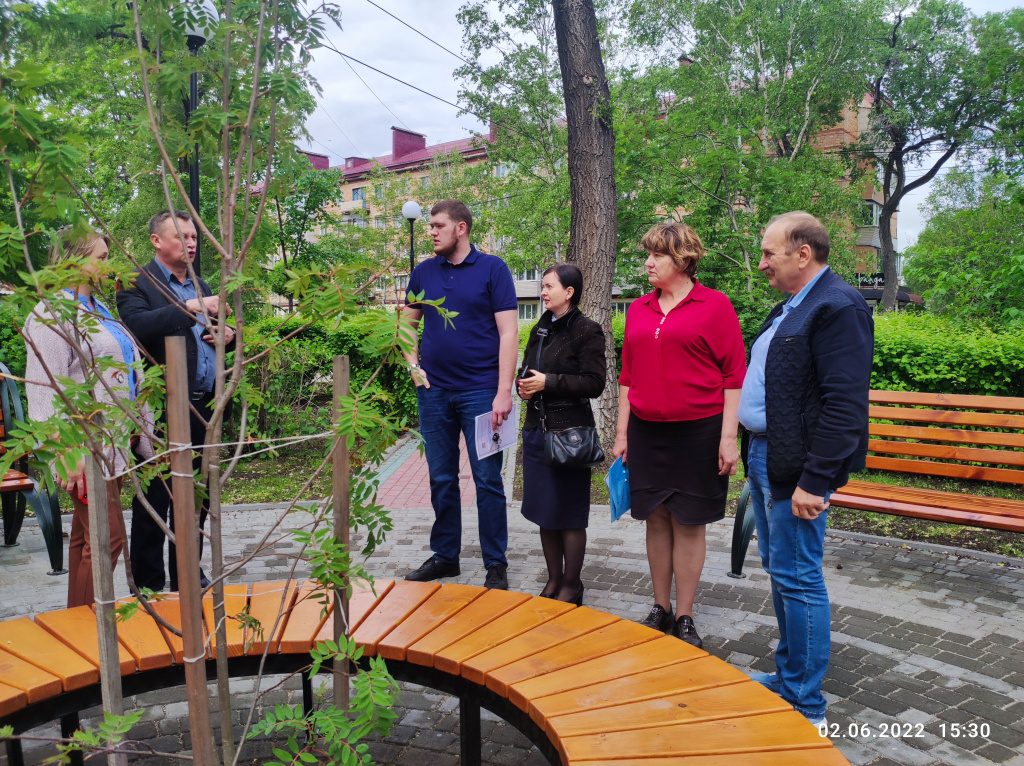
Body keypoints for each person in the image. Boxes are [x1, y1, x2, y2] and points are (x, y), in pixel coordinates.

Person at [738, 211, 873, 726]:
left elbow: (844, 405)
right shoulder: (793, 304)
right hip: (768, 455)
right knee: (781, 571)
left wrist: (815, 480)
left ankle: (806, 702)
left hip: (797, 467)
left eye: (770, 252)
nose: (763, 262)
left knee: (799, 577)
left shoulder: (838, 306)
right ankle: (789, 674)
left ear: (803, 252)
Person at [612, 222, 746, 648]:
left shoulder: (715, 306)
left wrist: (729, 438)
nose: (648, 262)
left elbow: (734, 378)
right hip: (647, 433)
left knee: (689, 523)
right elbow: (628, 377)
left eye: (658, 255)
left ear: (684, 260)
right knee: (655, 517)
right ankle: (660, 606)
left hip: (699, 433)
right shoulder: (638, 309)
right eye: (647, 254)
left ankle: (685, 613)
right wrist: (623, 432)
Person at [24, 226, 155, 608]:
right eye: (100, 257)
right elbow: (42, 390)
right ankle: (87, 633)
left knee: (86, 539)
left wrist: (143, 435)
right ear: (73, 260)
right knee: (108, 538)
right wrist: (67, 452)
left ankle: (74, 626)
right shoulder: (49, 313)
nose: (107, 265)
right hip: (85, 447)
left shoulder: (98, 310)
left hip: (113, 445)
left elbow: (127, 373)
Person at [400, 199, 519, 590]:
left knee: (487, 479)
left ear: (461, 228)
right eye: (430, 225)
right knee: (441, 478)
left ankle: (495, 564)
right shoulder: (423, 272)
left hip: (482, 393)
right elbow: (406, 325)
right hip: (434, 394)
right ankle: (445, 557)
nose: (431, 231)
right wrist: (413, 365)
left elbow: (508, 333)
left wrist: (504, 391)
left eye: (438, 225)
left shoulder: (493, 269)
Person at [117, 210, 235, 592]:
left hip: (205, 407)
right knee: (156, 497)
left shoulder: (200, 282)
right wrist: (192, 308)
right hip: (163, 408)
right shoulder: (137, 282)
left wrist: (228, 334)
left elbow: (216, 332)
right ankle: (149, 584)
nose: (191, 243)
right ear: (156, 240)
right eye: (181, 236)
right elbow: (138, 326)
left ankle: (188, 572)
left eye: (194, 237)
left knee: (196, 496)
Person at [516, 263, 605, 605]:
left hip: (569, 436)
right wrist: (523, 387)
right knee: (545, 511)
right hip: (537, 431)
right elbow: (528, 370)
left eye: (549, 286)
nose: (543, 291)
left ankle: (572, 584)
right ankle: (553, 580)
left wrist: (548, 383)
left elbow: (595, 383)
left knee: (568, 513)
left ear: (569, 292)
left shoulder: (587, 330)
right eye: (543, 285)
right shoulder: (541, 328)